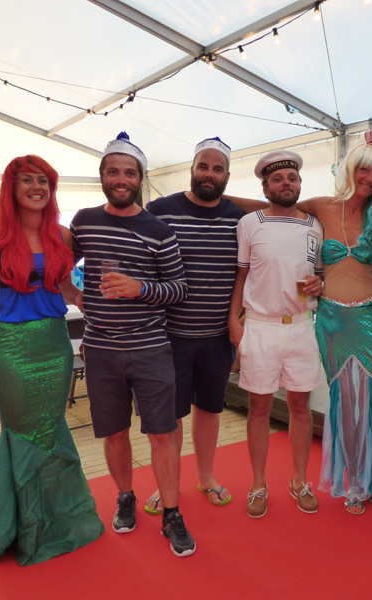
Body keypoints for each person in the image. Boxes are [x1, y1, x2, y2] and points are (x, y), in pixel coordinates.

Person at [0, 155, 104, 565]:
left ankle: (60, 524)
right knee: (22, 433)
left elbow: (61, 287)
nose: (37, 187)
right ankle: (22, 528)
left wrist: (82, 298)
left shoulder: (62, 235)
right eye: (27, 180)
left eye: (44, 181)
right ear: (12, 187)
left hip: (55, 346)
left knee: (52, 431)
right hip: (13, 351)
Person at [69, 132, 196, 557]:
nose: (121, 179)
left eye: (129, 173)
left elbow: (179, 288)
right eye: (113, 172)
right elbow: (58, 264)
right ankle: (125, 497)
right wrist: (73, 294)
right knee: (114, 432)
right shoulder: (84, 221)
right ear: (102, 176)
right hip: (100, 349)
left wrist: (139, 287)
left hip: (150, 348)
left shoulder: (159, 229)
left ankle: (172, 513)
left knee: (163, 433)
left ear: (140, 178)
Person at [143, 137, 244, 514]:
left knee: (210, 410)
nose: (209, 174)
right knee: (169, 418)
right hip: (168, 337)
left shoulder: (239, 218)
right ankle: (167, 484)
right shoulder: (160, 210)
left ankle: (207, 478)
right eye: (203, 166)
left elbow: (247, 273)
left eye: (217, 169)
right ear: (192, 169)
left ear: (227, 176)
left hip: (218, 338)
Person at [297, 128, 372, 515]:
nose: (370, 178)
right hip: (332, 318)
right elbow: (279, 215)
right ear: (350, 169)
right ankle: (353, 482)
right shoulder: (320, 206)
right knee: (345, 403)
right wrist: (313, 279)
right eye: (364, 170)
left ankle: (371, 481)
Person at [228, 150, 324, 518]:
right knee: (259, 408)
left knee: (301, 407)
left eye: (292, 178)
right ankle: (258, 484)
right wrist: (233, 320)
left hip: (301, 326)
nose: (286, 183)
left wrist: (319, 284)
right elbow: (241, 274)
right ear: (266, 188)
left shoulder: (314, 225)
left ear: (299, 184)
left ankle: (300, 481)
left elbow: (318, 275)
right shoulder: (249, 223)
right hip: (260, 327)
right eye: (278, 179)